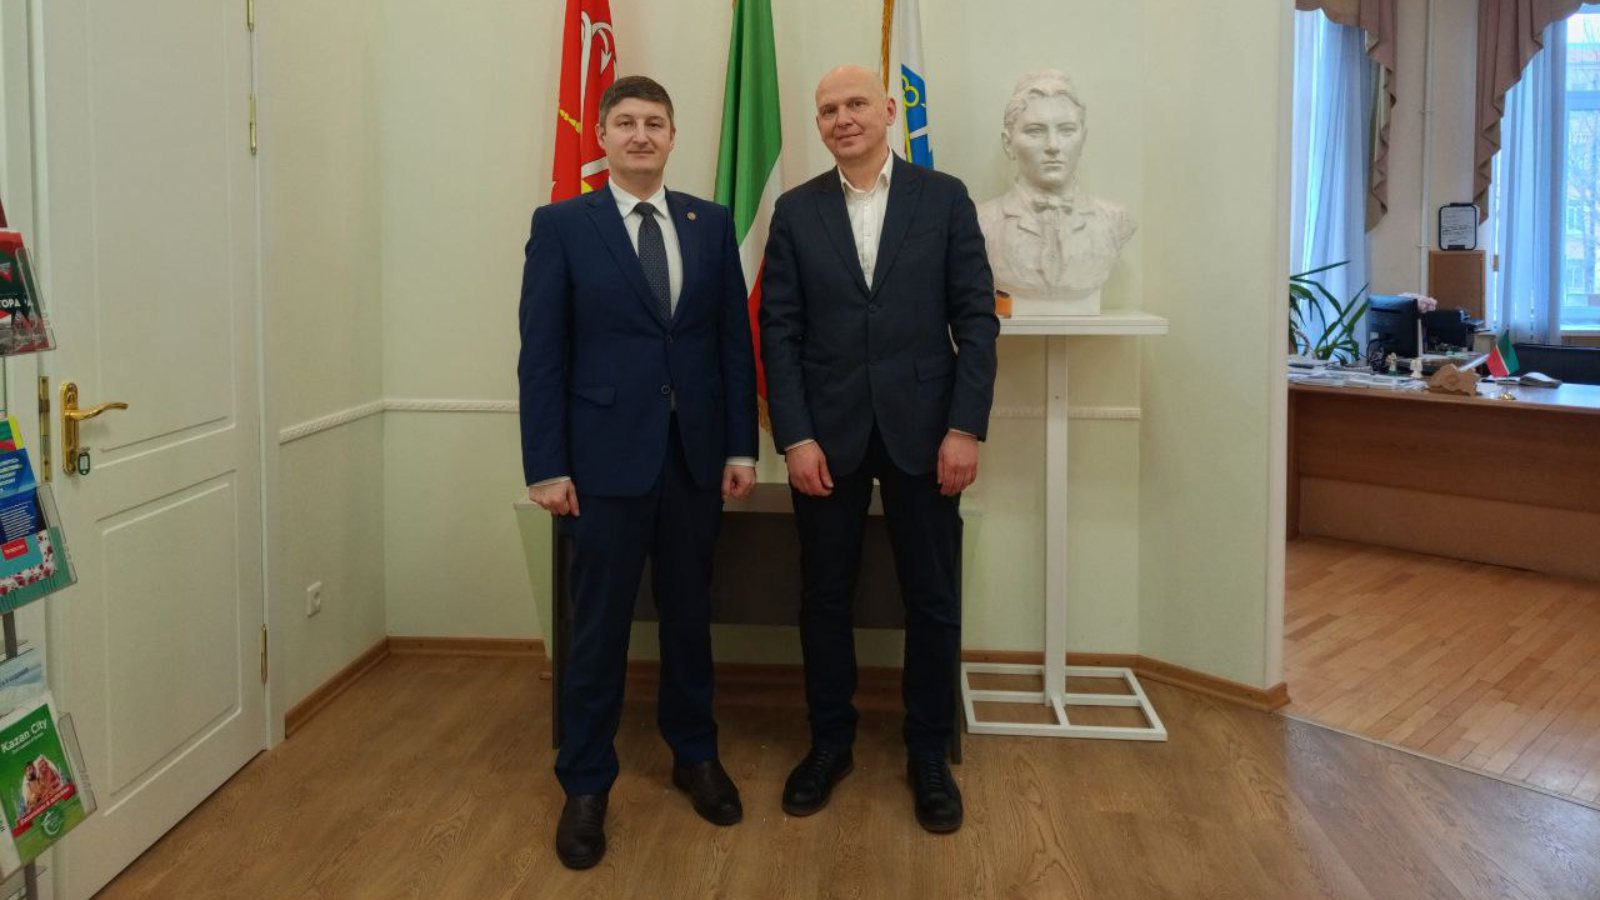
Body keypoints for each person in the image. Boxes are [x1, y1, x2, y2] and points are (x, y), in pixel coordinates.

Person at [518, 74, 758, 869]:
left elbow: (731, 344)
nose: (641, 135)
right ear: (603, 136)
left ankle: (695, 754)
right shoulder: (562, 226)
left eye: (655, 122)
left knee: (689, 619)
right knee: (598, 632)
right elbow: (541, 356)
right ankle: (586, 784)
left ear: (673, 135)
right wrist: (547, 465)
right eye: (626, 122)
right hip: (600, 467)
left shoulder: (708, 222)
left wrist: (740, 447)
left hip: (693, 462)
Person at [759, 64, 999, 834]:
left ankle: (927, 751)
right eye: (828, 109)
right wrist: (795, 435)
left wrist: (964, 427)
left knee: (931, 596)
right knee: (824, 595)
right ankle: (830, 742)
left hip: (926, 434)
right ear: (819, 124)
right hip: (824, 437)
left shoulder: (945, 198)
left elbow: (977, 319)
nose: (843, 118)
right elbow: (779, 332)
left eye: (856, 103)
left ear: (889, 110)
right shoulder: (796, 211)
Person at [976, 70, 1134, 309]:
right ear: (1008, 143)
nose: (1053, 145)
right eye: (1035, 131)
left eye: (1066, 130)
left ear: (1083, 139)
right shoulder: (981, 222)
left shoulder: (1114, 220)